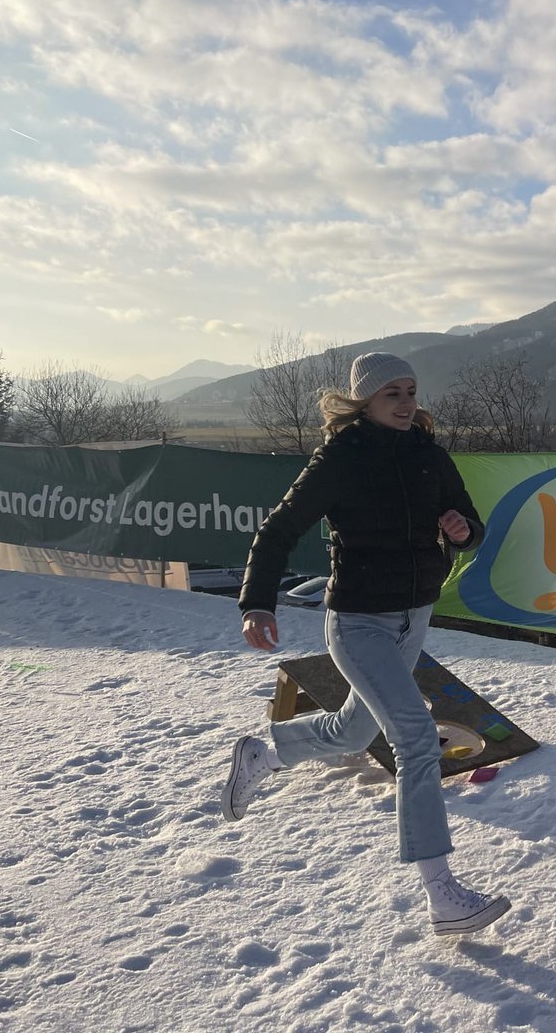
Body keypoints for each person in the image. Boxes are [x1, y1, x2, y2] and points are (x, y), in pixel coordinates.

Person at [222, 352, 510, 936]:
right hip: (358, 623)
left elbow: (470, 523)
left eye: (410, 391)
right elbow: (279, 528)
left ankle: (264, 754)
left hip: (414, 614)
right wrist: (257, 602)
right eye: (391, 394)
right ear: (364, 402)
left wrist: (463, 531)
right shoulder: (340, 458)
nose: (405, 403)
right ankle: (442, 894)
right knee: (415, 739)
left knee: (355, 731)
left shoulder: (429, 455)